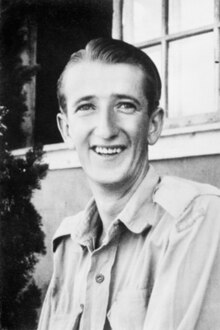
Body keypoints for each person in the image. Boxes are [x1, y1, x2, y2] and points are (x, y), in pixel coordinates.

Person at [38, 38, 220, 330]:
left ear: (153, 124)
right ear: (66, 129)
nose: (107, 129)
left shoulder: (197, 217)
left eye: (125, 105)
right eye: (86, 107)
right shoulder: (69, 242)